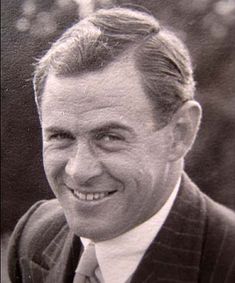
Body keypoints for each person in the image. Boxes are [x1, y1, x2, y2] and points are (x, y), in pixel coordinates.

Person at [8, 7, 235, 283]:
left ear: (180, 133)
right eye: (60, 137)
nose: (79, 171)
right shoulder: (35, 235)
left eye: (109, 137)